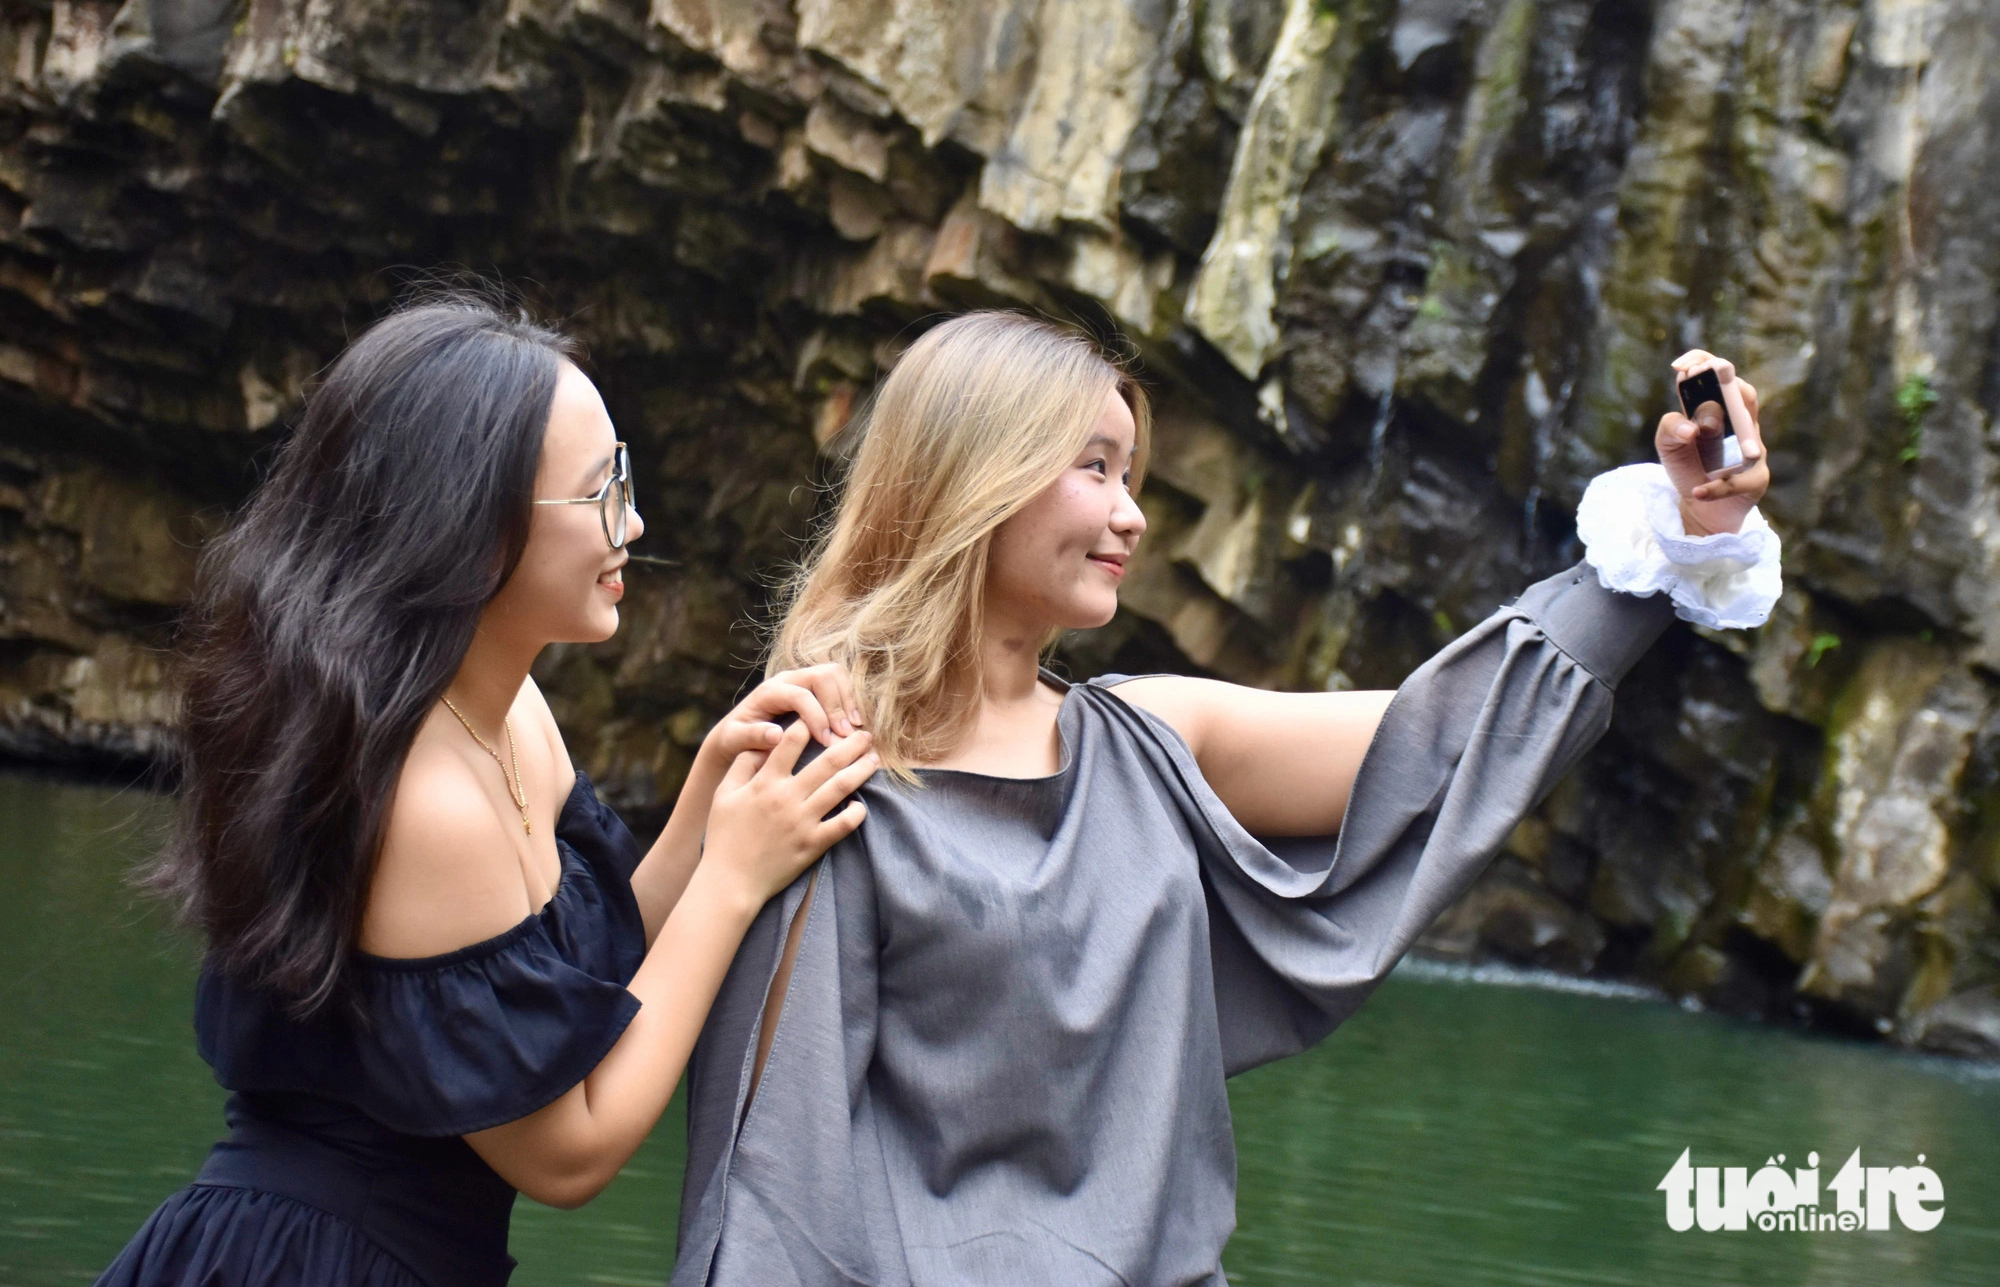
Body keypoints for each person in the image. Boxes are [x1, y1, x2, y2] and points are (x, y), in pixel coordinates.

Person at [666, 310, 1784, 1285]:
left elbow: (1444, 739)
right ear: (970, 475)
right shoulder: (826, 765)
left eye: (1130, 474)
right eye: (1092, 467)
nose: (1133, 514)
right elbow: (778, 1167)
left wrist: (1675, 542)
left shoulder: (1151, 734)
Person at [96, 294, 880, 1287]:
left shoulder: (506, 712)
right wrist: (730, 875)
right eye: (602, 491)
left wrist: (709, 794)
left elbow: (566, 981)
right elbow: (569, 1145)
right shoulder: (424, 798)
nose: (633, 523)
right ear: (472, 522)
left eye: (625, 478)